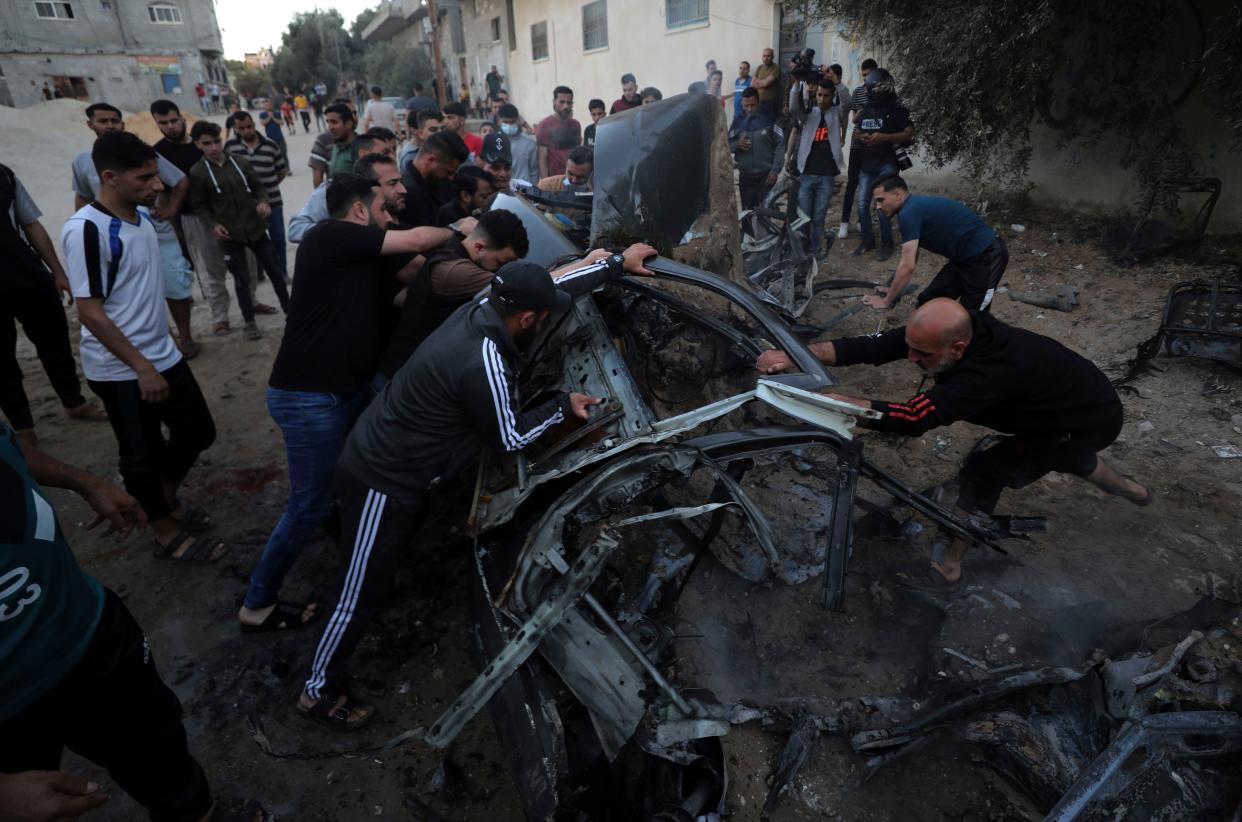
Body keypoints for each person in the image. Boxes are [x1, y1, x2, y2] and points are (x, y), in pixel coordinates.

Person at [298, 245, 656, 727]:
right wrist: (560, 405)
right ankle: (315, 690)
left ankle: (346, 594)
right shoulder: (481, 357)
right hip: (383, 479)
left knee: (371, 568)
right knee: (360, 591)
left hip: (391, 458)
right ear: (527, 319)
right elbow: (510, 438)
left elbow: (556, 285)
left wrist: (614, 264)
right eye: (540, 316)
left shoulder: (488, 303)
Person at [756, 298, 1153, 584]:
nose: (910, 359)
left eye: (921, 354)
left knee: (986, 470)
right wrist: (794, 356)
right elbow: (871, 346)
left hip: (1084, 419)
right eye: (910, 347)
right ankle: (1133, 491)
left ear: (957, 348)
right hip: (1071, 402)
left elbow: (914, 420)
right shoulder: (953, 330)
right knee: (1068, 457)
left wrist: (845, 403)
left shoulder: (988, 374)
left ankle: (953, 560)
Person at [236, 174, 467, 634]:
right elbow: (420, 239)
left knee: (349, 482)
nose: (389, 218)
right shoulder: (329, 235)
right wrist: (463, 230)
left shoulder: (361, 260)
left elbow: (412, 289)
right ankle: (256, 603)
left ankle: (355, 555)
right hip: (309, 400)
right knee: (307, 505)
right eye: (383, 209)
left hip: (341, 393)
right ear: (361, 211)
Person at [0, 424, 220, 822]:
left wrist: (84, 482)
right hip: (10, 706)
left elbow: (6, 444)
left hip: (90, 631)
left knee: (167, 768)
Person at [61, 131, 225, 562]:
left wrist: (162, 339)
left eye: (156, 175)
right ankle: (165, 531)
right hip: (121, 369)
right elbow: (90, 312)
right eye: (146, 178)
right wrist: (140, 367)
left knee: (197, 430)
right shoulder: (87, 231)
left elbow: (136, 292)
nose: (158, 186)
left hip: (160, 354)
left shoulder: (142, 218)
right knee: (141, 453)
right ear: (110, 177)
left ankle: (161, 498)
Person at [73, 103, 199, 359]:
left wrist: (171, 209)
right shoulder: (83, 166)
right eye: (103, 121)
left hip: (157, 234)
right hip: (114, 242)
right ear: (90, 125)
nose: (109, 126)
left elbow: (179, 181)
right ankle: (161, 343)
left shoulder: (146, 158)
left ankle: (183, 338)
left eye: (115, 121)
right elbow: (83, 197)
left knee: (174, 287)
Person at [1, 163, 107, 445]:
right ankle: (23, 426)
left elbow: (30, 223)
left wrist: (57, 271)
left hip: (29, 276)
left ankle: (74, 402)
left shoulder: (5, 175)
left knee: (56, 344)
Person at [151, 100, 269, 338]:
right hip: (194, 219)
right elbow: (161, 189)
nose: (171, 127)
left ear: (182, 118)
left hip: (234, 217)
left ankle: (252, 300)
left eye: (174, 120)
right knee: (210, 268)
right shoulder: (159, 152)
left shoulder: (206, 141)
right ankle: (220, 317)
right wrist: (170, 216)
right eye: (163, 123)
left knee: (247, 262)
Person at [376, 208, 528, 385]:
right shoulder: (453, 271)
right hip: (398, 379)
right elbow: (520, 285)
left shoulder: (454, 250)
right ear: (478, 247)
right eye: (499, 262)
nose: (498, 269)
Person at [187, 121, 291, 340]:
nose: (214, 147)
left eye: (217, 141)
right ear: (197, 144)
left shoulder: (240, 162)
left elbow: (258, 188)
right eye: (207, 143)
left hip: (256, 227)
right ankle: (249, 322)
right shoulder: (198, 173)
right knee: (241, 278)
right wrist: (213, 225)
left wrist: (263, 202)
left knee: (275, 271)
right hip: (231, 234)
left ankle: (291, 311)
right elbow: (200, 206)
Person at [863, 176, 1009, 312]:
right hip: (962, 260)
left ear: (898, 195)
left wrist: (886, 301)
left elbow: (908, 266)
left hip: (986, 255)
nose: (878, 206)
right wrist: (893, 290)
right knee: (928, 303)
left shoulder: (908, 212)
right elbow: (911, 258)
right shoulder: (911, 209)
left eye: (881, 200)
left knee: (973, 315)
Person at [851, 68, 913, 261]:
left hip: (887, 163)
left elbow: (908, 133)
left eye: (872, 90)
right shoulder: (868, 107)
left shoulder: (897, 107)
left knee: (882, 204)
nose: (869, 93)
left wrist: (883, 137)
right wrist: (863, 136)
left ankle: (887, 243)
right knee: (861, 205)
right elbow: (858, 131)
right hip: (867, 163)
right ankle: (867, 241)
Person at [287, 133, 396, 242]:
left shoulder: (398, 187)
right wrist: (338, 232)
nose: (393, 157)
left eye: (394, 150)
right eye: (385, 153)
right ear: (363, 154)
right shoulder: (333, 189)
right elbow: (295, 229)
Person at [224, 111, 290, 278]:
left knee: (278, 238)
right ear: (235, 129)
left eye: (249, 126)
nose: (246, 130)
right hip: (246, 206)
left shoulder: (270, 144)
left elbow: (281, 170)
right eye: (241, 128)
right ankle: (259, 273)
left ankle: (281, 272)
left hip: (273, 201)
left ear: (254, 124)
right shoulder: (230, 147)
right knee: (254, 240)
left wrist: (268, 187)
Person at [789, 77, 846, 257]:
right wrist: (797, 84)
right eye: (819, 95)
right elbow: (793, 108)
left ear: (832, 96)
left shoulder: (837, 113)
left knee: (819, 217)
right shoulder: (809, 113)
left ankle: (815, 251)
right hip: (806, 174)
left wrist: (837, 82)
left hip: (826, 176)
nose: (821, 99)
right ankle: (803, 250)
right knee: (805, 217)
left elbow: (848, 102)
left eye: (826, 95)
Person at [839, 57, 876, 240]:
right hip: (857, 144)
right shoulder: (858, 92)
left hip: (874, 145)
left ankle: (862, 221)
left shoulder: (882, 92)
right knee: (851, 183)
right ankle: (844, 222)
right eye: (863, 75)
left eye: (868, 75)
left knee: (868, 185)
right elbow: (853, 119)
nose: (865, 79)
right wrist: (861, 113)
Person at [399, 130, 469, 228]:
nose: (451, 177)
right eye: (448, 172)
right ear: (431, 160)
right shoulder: (408, 192)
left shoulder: (438, 182)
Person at [729, 88, 784, 209]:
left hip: (766, 178)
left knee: (763, 216)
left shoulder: (770, 119)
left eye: (752, 105)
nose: (749, 109)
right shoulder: (737, 122)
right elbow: (727, 145)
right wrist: (737, 145)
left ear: (758, 102)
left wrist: (775, 170)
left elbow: (780, 145)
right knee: (748, 215)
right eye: (746, 105)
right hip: (745, 178)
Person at [536, 86, 582, 179]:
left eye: (569, 103)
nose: (566, 106)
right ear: (554, 102)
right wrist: (546, 185)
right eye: (562, 102)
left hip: (574, 179)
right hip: (555, 181)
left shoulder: (576, 125)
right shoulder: (544, 125)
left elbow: (578, 155)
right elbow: (542, 160)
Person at [398, 108, 443, 187]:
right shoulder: (411, 157)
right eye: (433, 130)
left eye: (442, 129)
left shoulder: (437, 149)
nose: (439, 134)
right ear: (420, 133)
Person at [496, 103, 539, 185]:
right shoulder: (494, 142)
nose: (509, 125)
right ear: (499, 121)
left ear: (518, 120)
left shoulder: (529, 143)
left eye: (512, 122)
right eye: (505, 122)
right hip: (502, 189)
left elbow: (534, 171)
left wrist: (533, 190)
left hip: (524, 190)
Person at [259, 99, 289, 173]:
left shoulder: (277, 112)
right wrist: (269, 117)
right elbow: (263, 123)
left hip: (280, 137)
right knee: (272, 155)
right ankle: (276, 170)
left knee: (283, 154)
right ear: (264, 106)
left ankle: (287, 169)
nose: (268, 106)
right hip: (269, 139)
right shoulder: (262, 114)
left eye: (269, 104)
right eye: (266, 105)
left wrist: (273, 117)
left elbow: (282, 122)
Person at [752, 48, 782, 121]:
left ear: (772, 57)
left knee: (770, 124)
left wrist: (759, 81)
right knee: (760, 124)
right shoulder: (759, 67)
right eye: (764, 56)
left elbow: (766, 83)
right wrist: (763, 81)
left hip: (770, 103)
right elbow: (752, 84)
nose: (766, 58)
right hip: (759, 102)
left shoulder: (776, 68)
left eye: (768, 56)